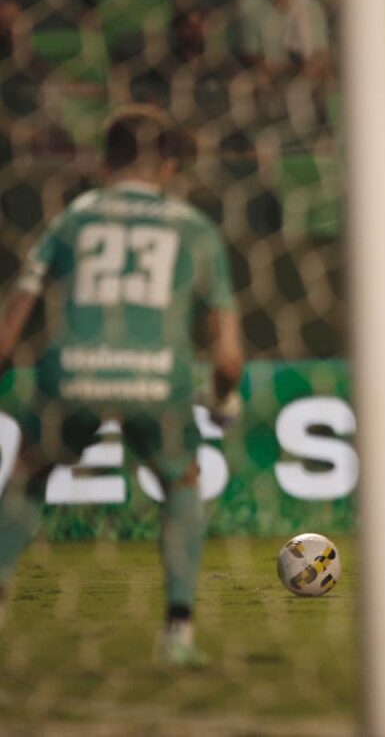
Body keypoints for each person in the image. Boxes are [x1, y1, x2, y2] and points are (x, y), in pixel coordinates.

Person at [0, 104, 244, 663]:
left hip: (73, 372)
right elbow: (228, 359)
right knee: (182, 481)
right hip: (158, 379)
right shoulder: (195, 229)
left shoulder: (72, 219)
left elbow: (9, 331)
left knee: (28, 472)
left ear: (104, 160)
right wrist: (224, 399)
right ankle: (178, 633)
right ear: (168, 163)